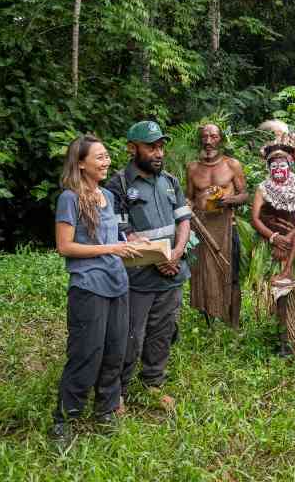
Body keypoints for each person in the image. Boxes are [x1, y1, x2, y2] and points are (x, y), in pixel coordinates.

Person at [52, 135, 140, 444]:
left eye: (106, 156)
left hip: (117, 283)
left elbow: (113, 235)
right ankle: (65, 419)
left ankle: (105, 411)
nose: (107, 162)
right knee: (86, 353)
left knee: (115, 351)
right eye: (99, 157)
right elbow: (65, 246)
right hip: (89, 286)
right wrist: (111, 248)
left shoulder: (106, 196)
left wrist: (129, 243)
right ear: (80, 163)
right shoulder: (70, 198)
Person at [106, 121, 192, 409]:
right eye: (151, 146)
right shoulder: (117, 185)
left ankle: (153, 382)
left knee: (163, 331)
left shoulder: (170, 181)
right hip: (138, 276)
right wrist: (158, 258)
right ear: (133, 148)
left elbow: (184, 220)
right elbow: (122, 232)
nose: (158, 152)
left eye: (161, 146)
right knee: (130, 334)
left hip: (171, 273)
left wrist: (177, 253)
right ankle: (117, 391)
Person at [249, 120, 295, 355]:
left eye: (282, 164)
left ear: (290, 165)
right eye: (273, 165)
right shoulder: (263, 189)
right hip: (271, 245)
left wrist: (290, 237)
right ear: (268, 167)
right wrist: (273, 238)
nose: (278, 169)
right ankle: (281, 337)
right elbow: (255, 219)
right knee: (278, 293)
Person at [186, 123, 248, 327]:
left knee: (230, 273)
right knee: (203, 274)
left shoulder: (232, 165)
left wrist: (227, 200)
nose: (208, 141)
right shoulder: (193, 168)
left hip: (226, 226)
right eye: (204, 137)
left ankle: (234, 323)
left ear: (220, 139)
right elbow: (189, 198)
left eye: (213, 136)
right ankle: (209, 322)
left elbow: (244, 195)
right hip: (201, 228)